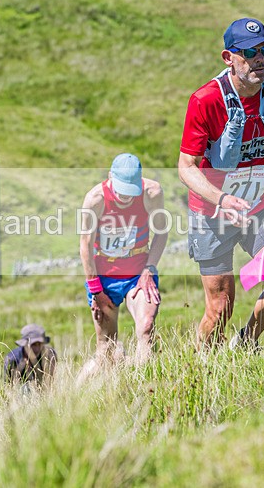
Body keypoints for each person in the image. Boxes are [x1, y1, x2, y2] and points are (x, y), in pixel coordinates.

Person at [178, 17, 264, 348]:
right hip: (213, 211)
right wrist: (221, 199)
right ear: (228, 58)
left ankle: (247, 340)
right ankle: (204, 363)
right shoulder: (205, 100)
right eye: (249, 53)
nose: (259, 58)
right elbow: (186, 167)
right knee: (220, 310)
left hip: (262, 203)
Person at [79, 153, 168, 372]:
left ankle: (145, 388)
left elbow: (162, 232)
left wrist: (150, 268)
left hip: (138, 274)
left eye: (131, 190)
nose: (126, 197)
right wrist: (95, 289)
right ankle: (94, 395)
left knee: (146, 327)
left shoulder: (152, 193)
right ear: (110, 177)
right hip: (105, 278)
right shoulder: (95, 200)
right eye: (121, 190)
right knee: (106, 349)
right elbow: (86, 245)